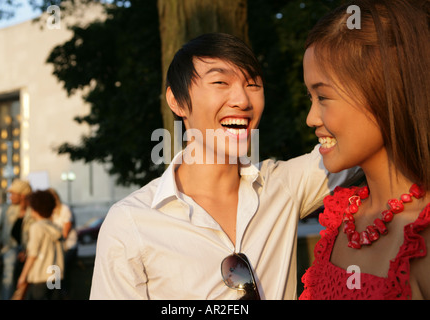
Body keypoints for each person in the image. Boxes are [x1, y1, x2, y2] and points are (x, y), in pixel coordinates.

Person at [90, 32, 362, 300]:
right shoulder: (130, 223)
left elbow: (362, 138)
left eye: (253, 85)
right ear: (177, 101)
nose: (242, 101)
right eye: (220, 82)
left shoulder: (282, 186)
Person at [300, 0, 429, 300]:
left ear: (384, 92)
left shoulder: (423, 239)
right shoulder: (340, 220)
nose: (310, 118)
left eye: (323, 96)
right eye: (310, 97)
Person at [17, 190, 64, 300]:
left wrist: (22, 277)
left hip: (40, 276)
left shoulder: (37, 227)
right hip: (56, 275)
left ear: (34, 208)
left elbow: (33, 254)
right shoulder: (55, 227)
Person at [0, 179, 32, 300]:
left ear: (22, 195)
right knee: (10, 262)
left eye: (13, 193)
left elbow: (35, 237)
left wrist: (27, 252)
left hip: (29, 250)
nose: (10, 196)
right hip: (10, 248)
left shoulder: (33, 211)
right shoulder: (7, 210)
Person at [49, 188, 78, 299]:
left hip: (68, 247)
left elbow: (64, 234)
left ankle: (64, 295)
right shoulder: (50, 212)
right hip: (56, 249)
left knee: (59, 269)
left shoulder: (65, 209)